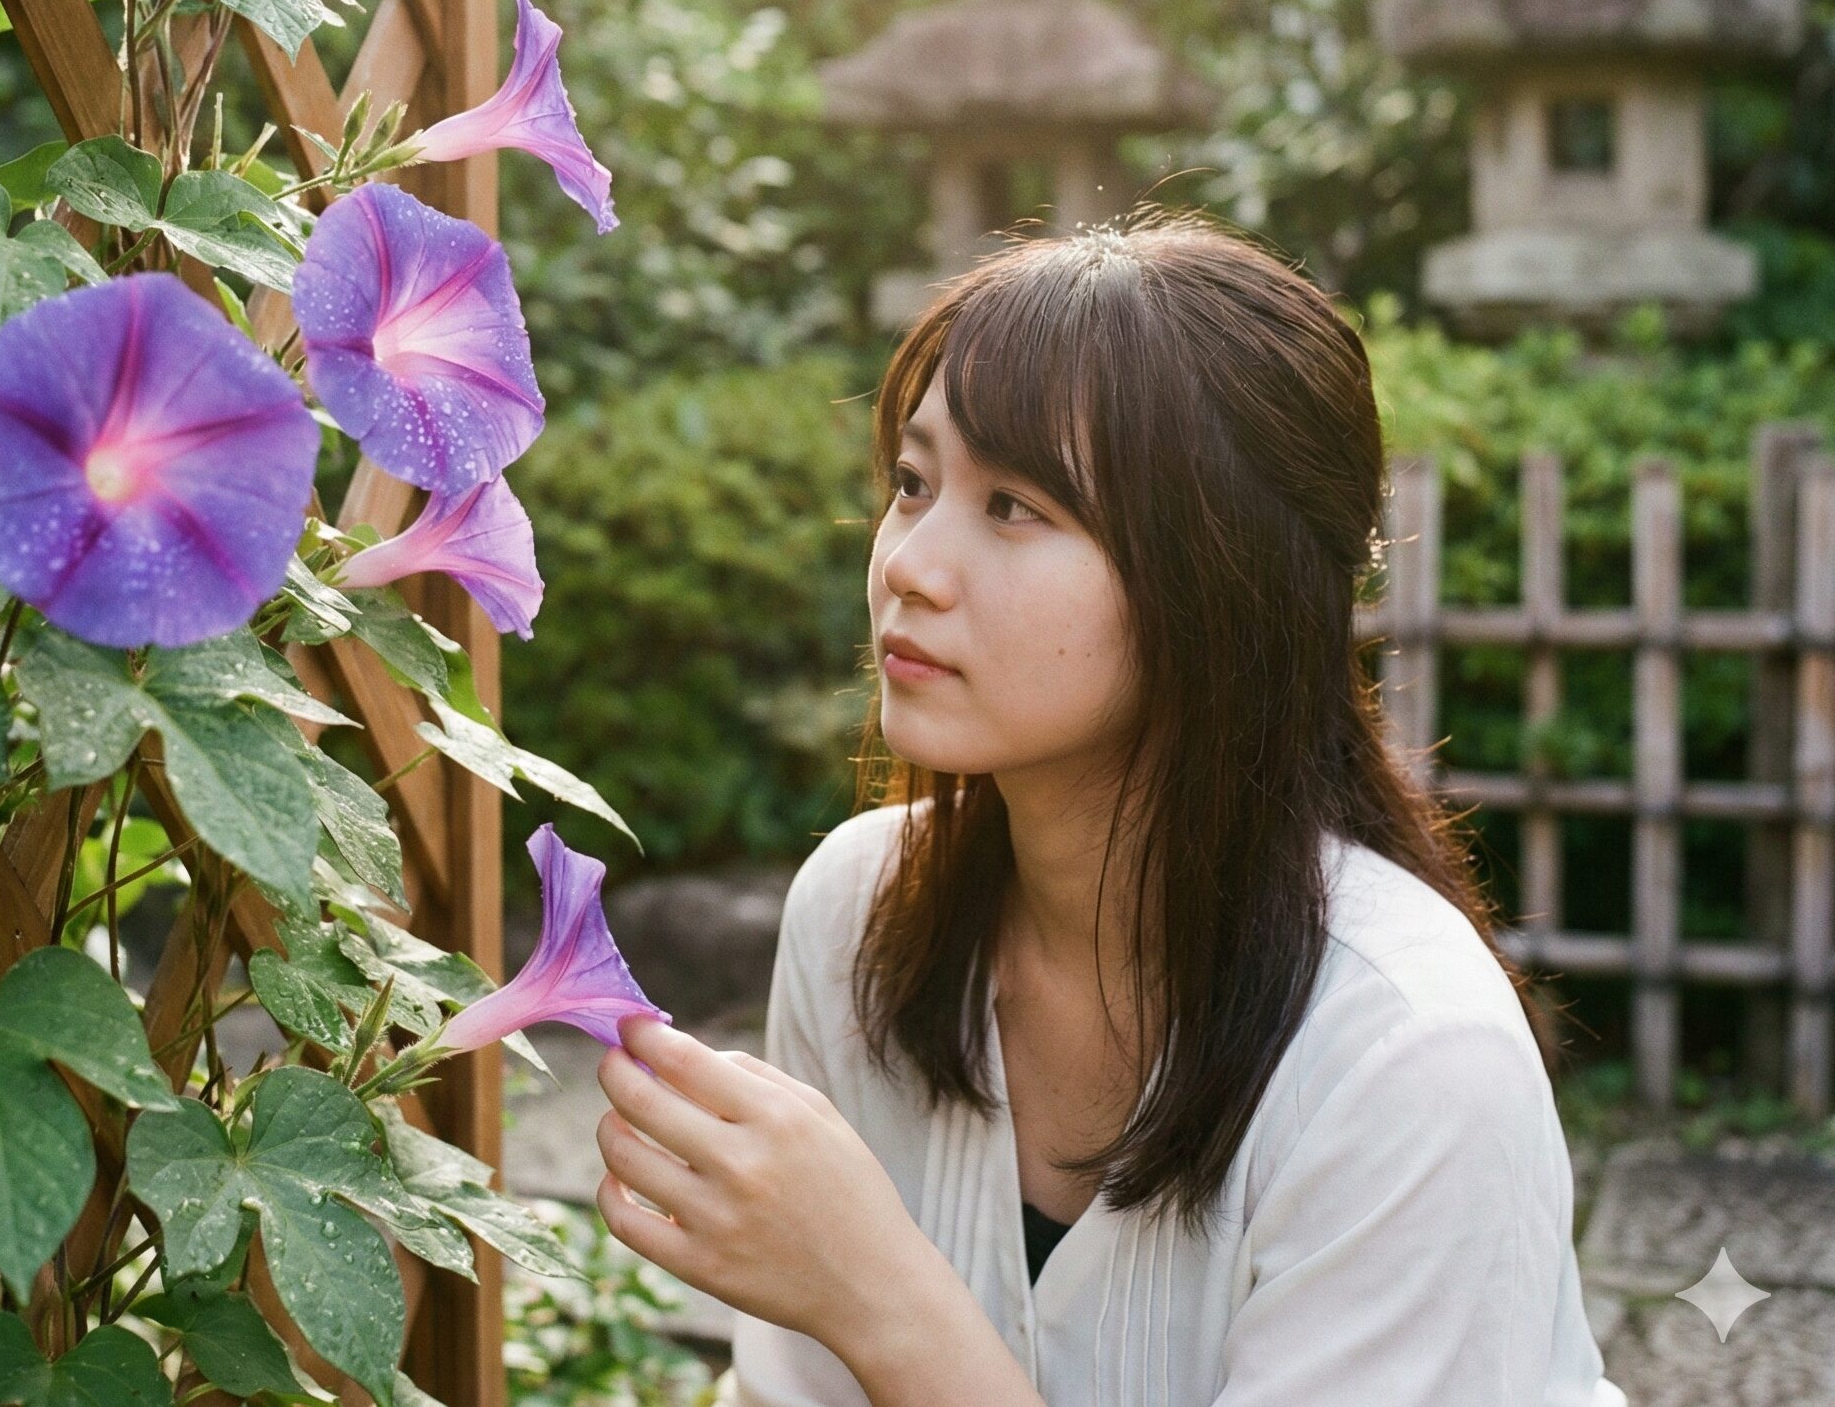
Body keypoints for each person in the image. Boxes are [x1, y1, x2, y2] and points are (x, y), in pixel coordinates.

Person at [594, 213, 1627, 1407]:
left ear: (1216, 579)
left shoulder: (1405, 1056)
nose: (908, 564)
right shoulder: (858, 912)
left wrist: (877, 1293)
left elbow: (861, 1327)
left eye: (1016, 505)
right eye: (912, 483)